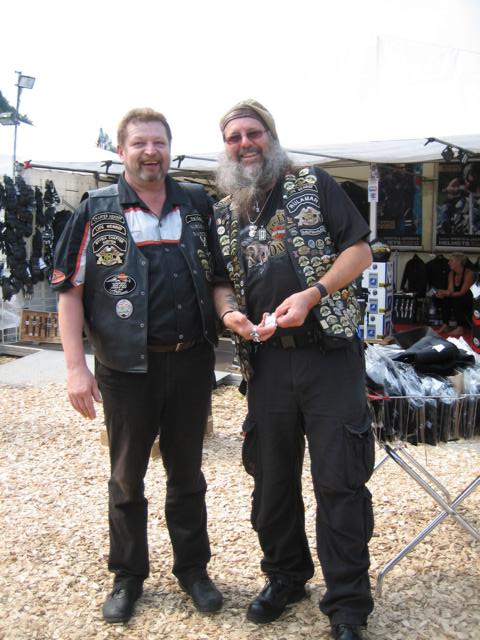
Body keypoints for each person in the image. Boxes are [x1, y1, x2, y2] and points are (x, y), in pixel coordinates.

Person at [52, 108, 223, 624]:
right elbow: (69, 291)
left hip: (191, 363)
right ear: (121, 151)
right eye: (140, 143)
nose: (151, 152)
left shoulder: (196, 203)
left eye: (159, 143)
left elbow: (220, 273)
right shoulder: (96, 208)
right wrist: (75, 369)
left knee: (188, 474)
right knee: (126, 478)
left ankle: (193, 570)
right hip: (125, 371)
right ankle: (128, 575)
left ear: (170, 149)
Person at [212, 99, 374, 640]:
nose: (245, 144)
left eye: (253, 133)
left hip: (329, 356)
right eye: (234, 137)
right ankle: (285, 577)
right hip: (267, 365)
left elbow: (359, 252)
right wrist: (228, 314)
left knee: (340, 481)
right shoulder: (223, 211)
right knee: (272, 482)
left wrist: (313, 293)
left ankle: (347, 604)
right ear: (226, 147)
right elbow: (220, 282)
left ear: (271, 136)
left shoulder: (314, 184)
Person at [435, 252, 474, 336]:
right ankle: (445, 325)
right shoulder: (451, 273)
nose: (448, 263)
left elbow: (462, 292)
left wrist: (447, 293)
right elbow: (451, 290)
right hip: (457, 296)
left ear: (459, 262)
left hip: (469, 298)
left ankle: (460, 328)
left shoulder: (469, 273)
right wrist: (443, 293)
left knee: (456, 300)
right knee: (445, 299)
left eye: (451, 261)